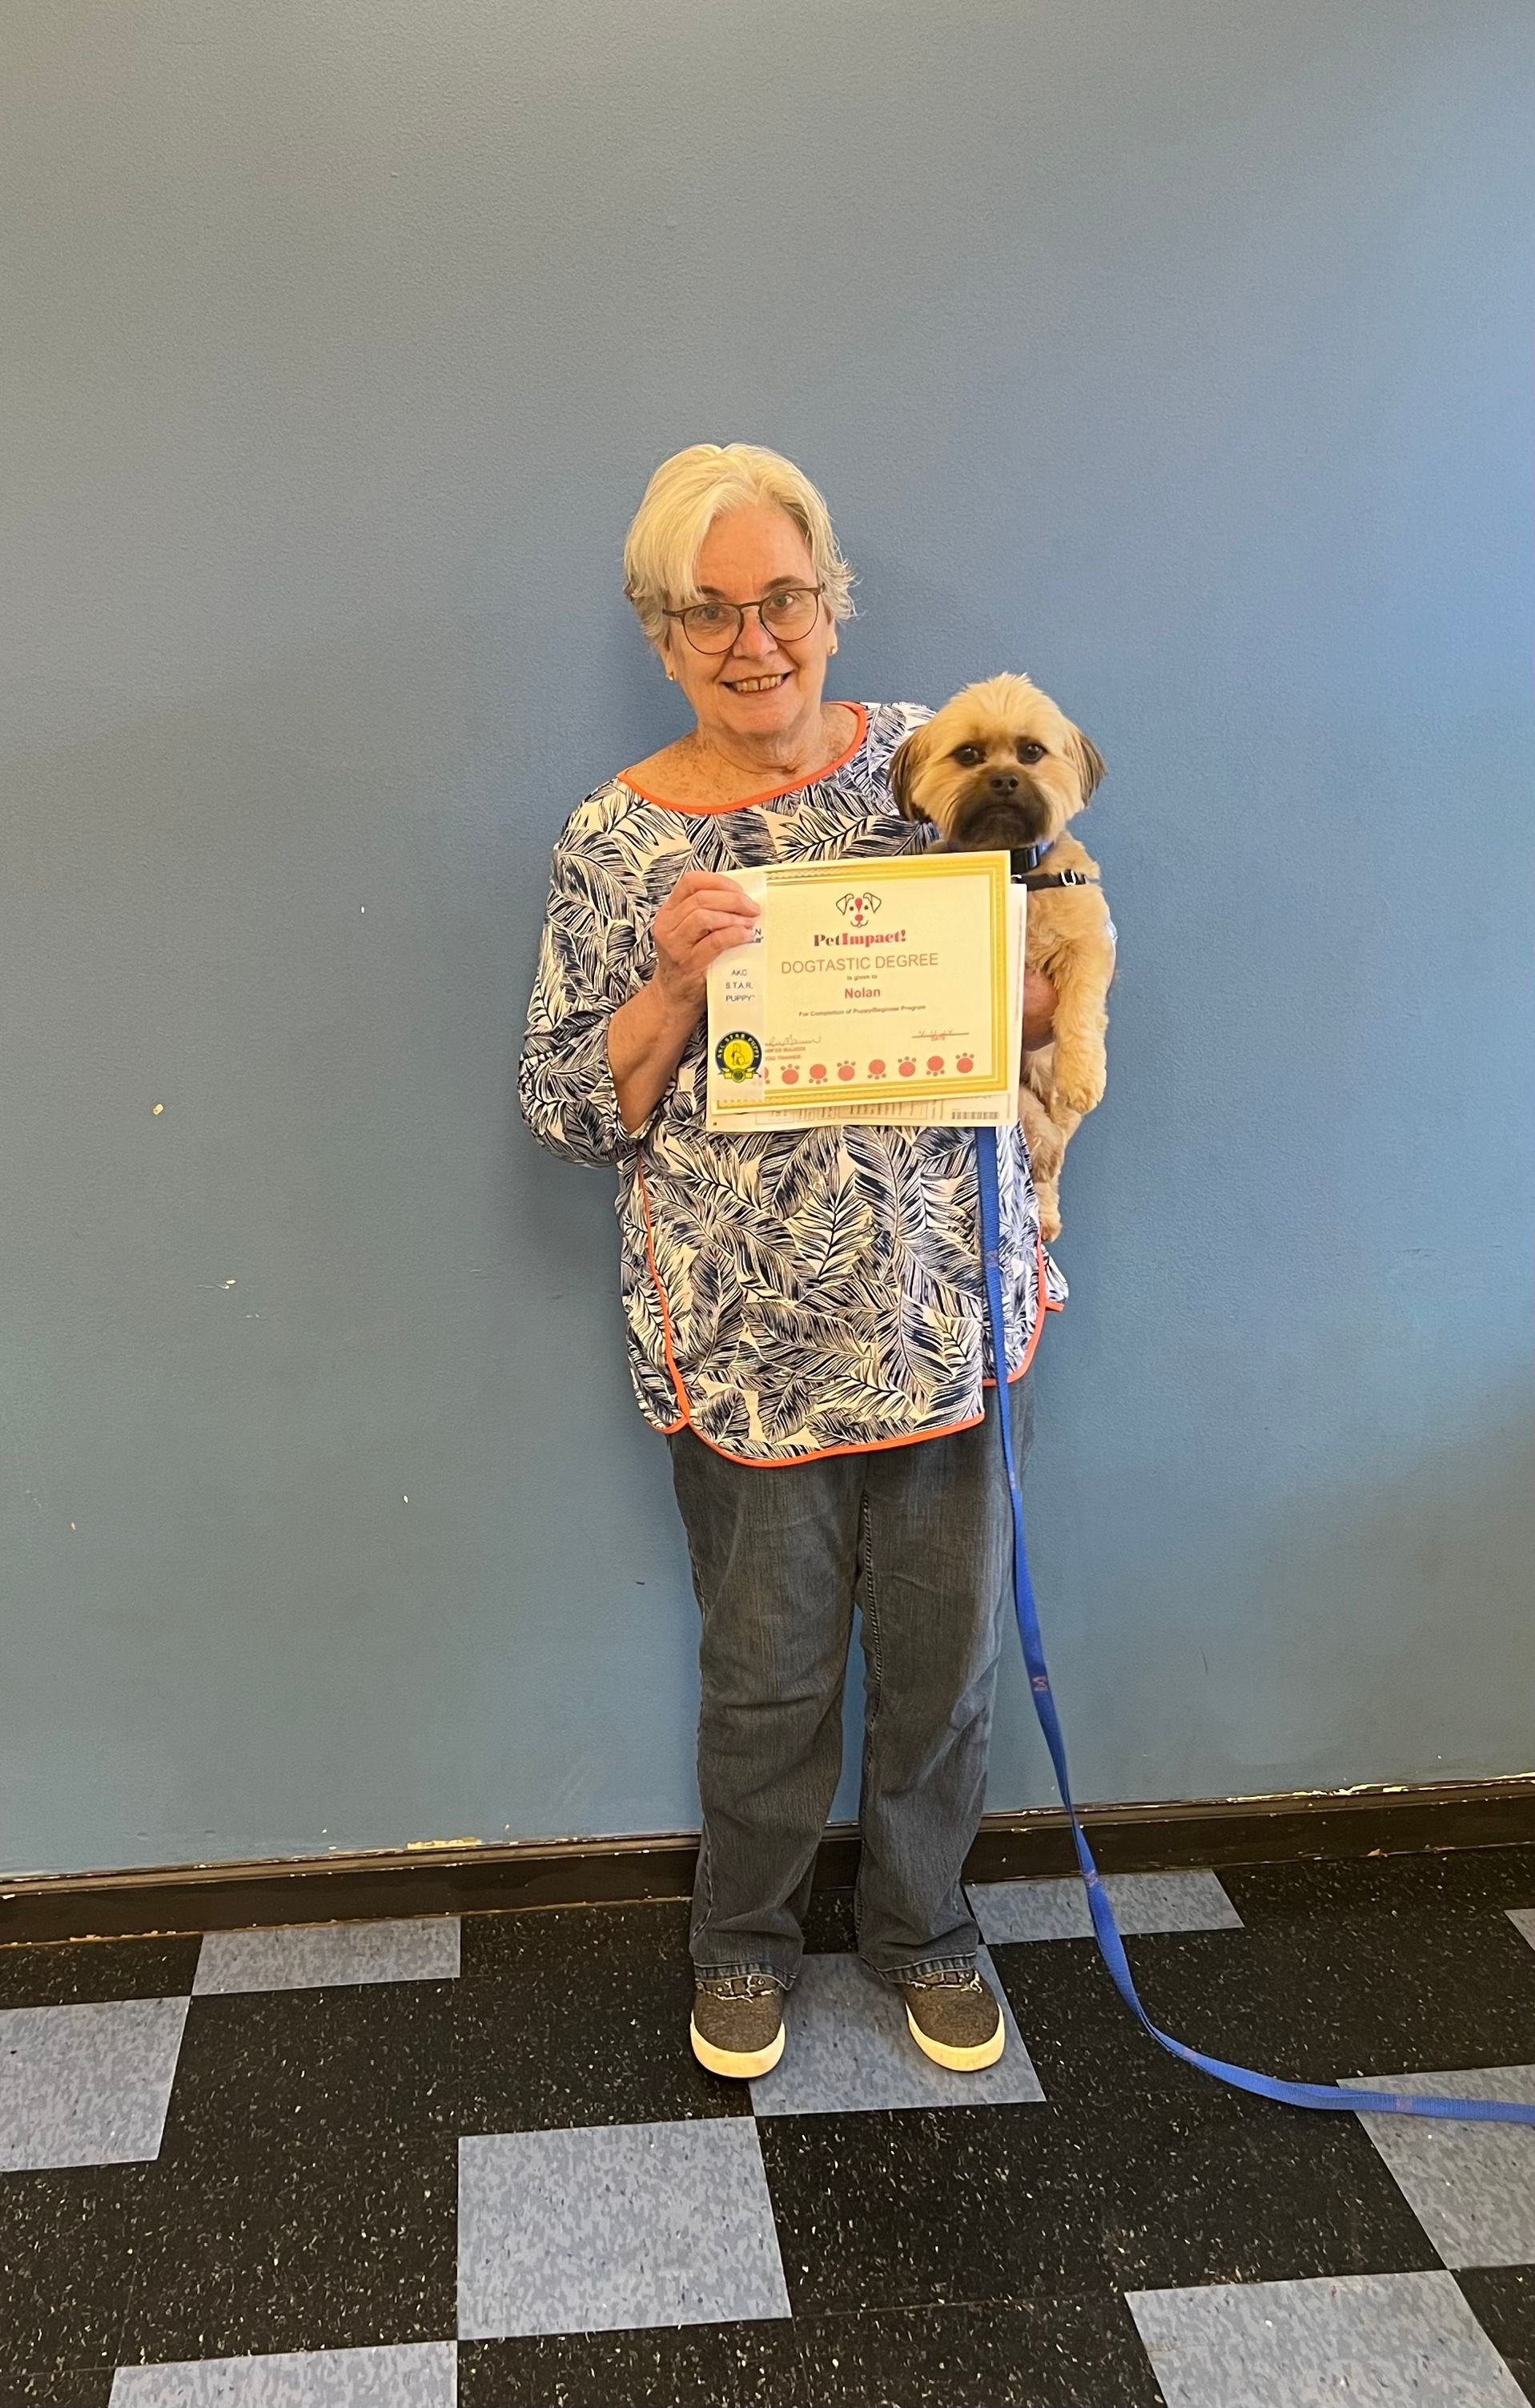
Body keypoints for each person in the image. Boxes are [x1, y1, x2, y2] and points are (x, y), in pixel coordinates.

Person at [520, 443, 1064, 2080]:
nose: (754, 640)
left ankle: (926, 1927)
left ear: (833, 603)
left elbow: (1059, 944)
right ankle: (743, 1939)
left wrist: (1037, 1004)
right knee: (762, 1679)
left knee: (942, 1666)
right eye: (710, 611)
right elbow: (561, 1099)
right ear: (659, 629)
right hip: (743, 1342)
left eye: (785, 599)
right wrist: (674, 989)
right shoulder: (618, 845)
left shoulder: (940, 757)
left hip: (935, 1309)